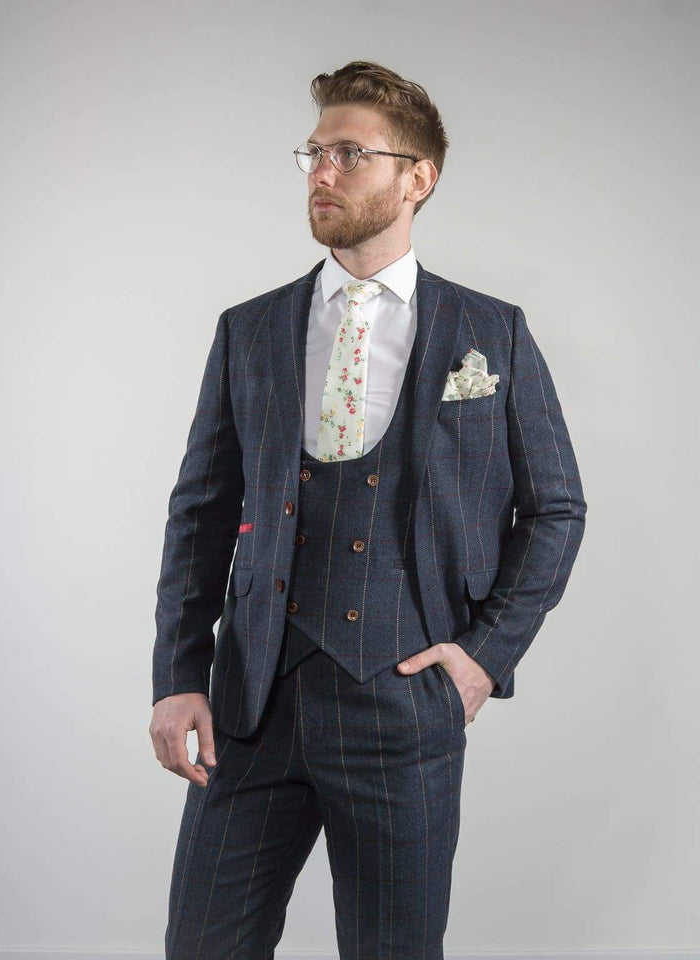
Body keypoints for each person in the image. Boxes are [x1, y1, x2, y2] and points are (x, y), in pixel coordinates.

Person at [149, 59, 587, 960]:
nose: (322, 171)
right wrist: (178, 673)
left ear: (417, 178)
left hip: (404, 704)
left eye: (350, 153)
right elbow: (200, 514)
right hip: (251, 705)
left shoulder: (492, 332)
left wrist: (482, 657)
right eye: (314, 152)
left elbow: (556, 510)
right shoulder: (249, 330)